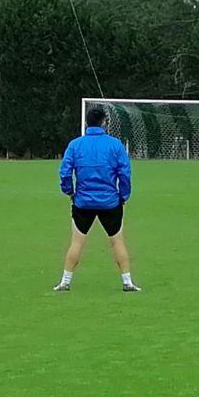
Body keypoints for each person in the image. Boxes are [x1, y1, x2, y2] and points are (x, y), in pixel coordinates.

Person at [54, 107, 140, 292]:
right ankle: (127, 282)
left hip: (83, 202)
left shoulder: (75, 145)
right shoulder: (115, 145)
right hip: (110, 202)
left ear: (86, 123)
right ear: (104, 123)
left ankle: (65, 281)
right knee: (117, 241)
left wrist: (70, 192)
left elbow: (65, 172)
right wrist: (123, 196)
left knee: (76, 242)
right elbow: (125, 173)